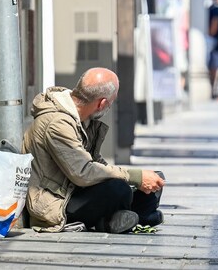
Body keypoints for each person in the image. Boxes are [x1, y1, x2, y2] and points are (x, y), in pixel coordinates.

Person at [23, 68, 166, 234]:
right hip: (56, 203)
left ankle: (125, 217)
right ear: (102, 103)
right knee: (119, 189)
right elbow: (83, 172)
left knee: (155, 179)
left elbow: (97, 164)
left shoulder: (83, 118)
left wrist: (138, 180)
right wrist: (134, 177)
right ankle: (126, 218)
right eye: (112, 102)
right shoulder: (57, 124)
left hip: (77, 190)